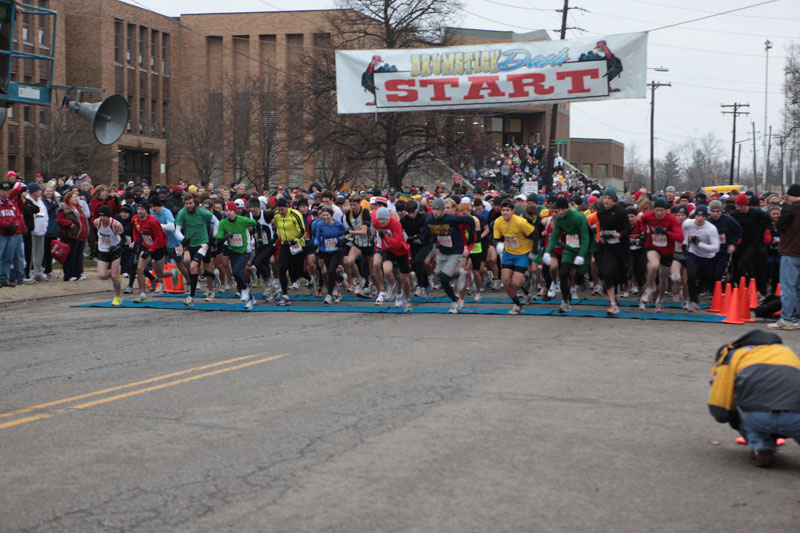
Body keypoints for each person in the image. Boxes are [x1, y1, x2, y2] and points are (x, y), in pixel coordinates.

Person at [708, 330, 800, 467]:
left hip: (756, 415)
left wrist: (734, 420)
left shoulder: (734, 354)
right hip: (796, 416)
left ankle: (762, 448)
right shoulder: (787, 353)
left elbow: (720, 406)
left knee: (739, 399)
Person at [424, 197, 476, 313]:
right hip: (443, 251)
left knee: (444, 275)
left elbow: (470, 220)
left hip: (455, 251)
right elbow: (427, 232)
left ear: (443, 211)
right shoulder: (430, 220)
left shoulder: (451, 218)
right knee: (439, 276)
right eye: (434, 209)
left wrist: (471, 237)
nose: (436, 212)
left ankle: (459, 275)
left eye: (438, 210)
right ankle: (454, 300)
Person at [543, 197, 591, 313]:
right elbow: (554, 235)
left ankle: (581, 279)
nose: (560, 213)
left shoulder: (579, 217)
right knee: (563, 272)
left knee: (578, 279)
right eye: (558, 210)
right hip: (569, 249)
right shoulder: (559, 220)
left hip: (583, 249)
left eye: (562, 210)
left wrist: (581, 254)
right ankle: (565, 301)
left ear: (567, 208)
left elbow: (585, 236)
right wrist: (547, 251)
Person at [639, 198, 683, 312]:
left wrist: (666, 233)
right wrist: (644, 232)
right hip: (652, 246)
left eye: (662, 210)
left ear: (666, 210)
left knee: (663, 278)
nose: (659, 213)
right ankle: (649, 289)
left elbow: (680, 237)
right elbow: (642, 220)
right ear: (654, 210)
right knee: (653, 265)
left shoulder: (672, 219)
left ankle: (660, 299)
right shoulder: (649, 216)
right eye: (657, 210)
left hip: (667, 250)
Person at [493, 199, 536, 314]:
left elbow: (535, 235)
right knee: (506, 281)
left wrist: (534, 251)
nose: (505, 213)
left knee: (516, 283)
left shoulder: (520, 222)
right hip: (508, 252)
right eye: (503, 210)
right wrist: (498, 245)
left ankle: (526, 278)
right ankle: (517, 304)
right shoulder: (498, 222)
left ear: (512, 211)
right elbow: (495, 238)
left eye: (507, 210)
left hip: (522, 253)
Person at [175, 193, 217, 306]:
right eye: (186, 203)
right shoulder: (182, 213)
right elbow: (177, 230)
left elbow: (216, 221)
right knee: (192, 266)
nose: (188, 205)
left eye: (190, 203)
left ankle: (199, 295)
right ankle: (210, 276)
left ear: (196, 203)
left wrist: (215, 237)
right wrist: (182, 238)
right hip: (190, 243)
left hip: (203, 243)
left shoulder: (202, 212)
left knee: (194, 266)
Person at [595, 187, 630, 315]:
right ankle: (613, 304)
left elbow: (627, 230)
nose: (606, 200)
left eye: (609, 198)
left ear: (614, 200)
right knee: (606, 272)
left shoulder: (621, 212)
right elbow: (602, 227)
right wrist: (604, 235)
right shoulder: (600, 212)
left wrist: (617, 235)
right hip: (607, 247)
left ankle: (614, 293)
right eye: (604, 198)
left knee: (619, 274)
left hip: (620, 248)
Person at [217, 201, 257, 310]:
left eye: (231, 210)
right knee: (237, 275)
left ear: (235, 211)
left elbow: (254, 223)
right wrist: (226, 236)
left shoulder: (242, 220)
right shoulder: (223, 223)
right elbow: (219, 239)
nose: (229, 213)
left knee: (235, 271)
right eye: (227, 210)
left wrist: (250, 228)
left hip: (244, 250)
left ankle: (245, 290)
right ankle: (249, 299)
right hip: (233, 251)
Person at [771, 184, 800, 329]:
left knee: (788, 287)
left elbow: (779, 226)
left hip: (790, 251)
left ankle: (786, 318)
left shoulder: (790, 210)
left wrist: (784, 207)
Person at [131, 202, 172, 304]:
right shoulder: (135, 219)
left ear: (146, 210)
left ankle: (173, 273)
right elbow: (136, 230)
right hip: (146, 245)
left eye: (142, 209)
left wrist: (150, 250)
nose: (139, 211)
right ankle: (142, 294)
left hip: (158, 247)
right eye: (138, 209)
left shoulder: (153, 222)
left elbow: (159, 239)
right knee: (140, 269)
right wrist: (136, 242)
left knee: (159, 273)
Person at [372, 206, 412, 310]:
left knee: (404, 279)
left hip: (400, 251)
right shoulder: (376, 222)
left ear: (388, 218)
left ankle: (406, 299)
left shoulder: (395, 224)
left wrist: (385, 237)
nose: (381, 222)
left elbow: (397, 244)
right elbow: (373, 213)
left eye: (384, 219)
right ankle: (392, 285)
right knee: (387, 270)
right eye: (379, 219)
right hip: (388, 250)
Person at [682, 205, 720, 312]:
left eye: (703, 216)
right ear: (695, 216)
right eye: (698, 215)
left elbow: (716, 248)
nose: (700, 218)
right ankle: (693, 300)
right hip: (693, 253)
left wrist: (699, 244)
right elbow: (684, 229)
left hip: (707, 257)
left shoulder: (711, 229)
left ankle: (697, 294)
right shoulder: (688, 223)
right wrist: (685, 242)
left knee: (703, 281)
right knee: (691, 275)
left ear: (706, 217)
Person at [273, 197, 306, 306]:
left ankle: (310, 279)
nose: (280, 212)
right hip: (285, 245)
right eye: (278, 210)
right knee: (282, 268)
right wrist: (275, 239)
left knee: (298, 270)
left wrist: (295, 240)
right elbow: (278, 231)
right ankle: (285, 296)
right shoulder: (277, 216)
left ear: (287, 207)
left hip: (297, 244)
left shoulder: (295, 214)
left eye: (282, 209)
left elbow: (302, 231)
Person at [314, 206, 350, 304]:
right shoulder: (320, 225)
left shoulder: (338, 224)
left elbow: (346, 232)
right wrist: (316, 243)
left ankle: (329, 294)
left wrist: (342, 240)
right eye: (323, 215)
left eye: (327, 215)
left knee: (330, 272)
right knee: (330, 273)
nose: (325, 217)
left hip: (337, 250)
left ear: (331, 215)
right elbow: (317, 236)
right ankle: (341, 278)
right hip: (325, 251)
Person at [94, 205, 124, 306]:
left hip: (114, 250)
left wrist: (118, 246)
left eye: (104, 217)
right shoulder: (97, 222)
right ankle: (114, 272)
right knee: (102, 275)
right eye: (100, 216)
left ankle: (117, 297)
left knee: (114, 276)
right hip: (103, 250)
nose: (102, 219)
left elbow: (123, 237)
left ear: (109, 216)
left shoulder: (116, 225)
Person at [56, 189, 88, 282]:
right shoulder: (64, 209)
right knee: (70, 256)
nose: (76, 199)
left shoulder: (79, 208)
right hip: (70, 236)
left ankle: (78, 273)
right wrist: (69, 223)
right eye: (73, 197)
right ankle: (68, 274)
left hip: (80, 235)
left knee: (78, 255)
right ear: (68, 199)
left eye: (76, 197)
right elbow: (59, 220)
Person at [0, 180, 22, 287]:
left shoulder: (11, 203)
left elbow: (17, 216)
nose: (7, 192)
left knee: (8, 257)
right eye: (4, 190)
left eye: (8, 190)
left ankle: (4, 278)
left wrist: (15, 225)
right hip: (1, 233)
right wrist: (6, 226)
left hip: (11, 234)